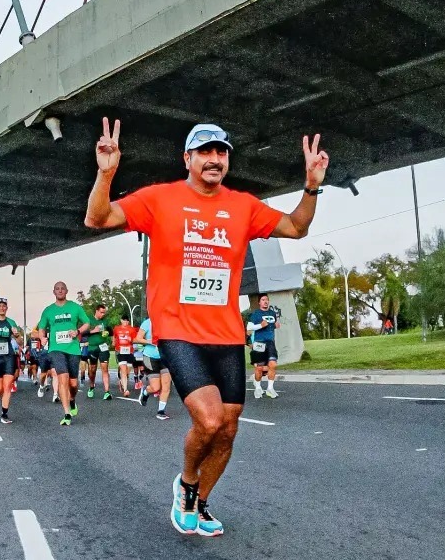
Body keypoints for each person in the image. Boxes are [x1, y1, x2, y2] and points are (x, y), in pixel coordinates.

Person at [85, 119, 328, 536]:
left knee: (229, 428)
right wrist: (106, 173)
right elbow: (98, 218)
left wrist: (310, 187)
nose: (215, 159)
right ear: (188, 159)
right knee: (211, 420)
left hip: (227, 334)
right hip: (177, 329)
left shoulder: (243, 206)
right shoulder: (160, 199)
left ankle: (200, 500)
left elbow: (296, 227)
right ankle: (186, 484)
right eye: (205, 152)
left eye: (222, 152)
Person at [35, 281, 91, 425]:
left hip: (73, 349)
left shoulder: (75, 307)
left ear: (66, 291)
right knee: (62, 378)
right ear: (54, 292)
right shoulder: (48, 310)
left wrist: (78, 331)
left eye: (62, 289)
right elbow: (41, 327)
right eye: (57, 289)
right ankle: (66, 413)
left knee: (73, 384)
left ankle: (72, 400)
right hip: (55, 349)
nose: (60, 291)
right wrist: (42, 337)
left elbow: (87, 323)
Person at [135, 316, 172, 420]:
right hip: (150, 357)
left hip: (165, 357)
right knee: (156, 387)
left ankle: (161, 411)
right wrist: (149, 341)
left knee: (166, 386)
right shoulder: (147, 323)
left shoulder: (169, 322)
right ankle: (145, 391)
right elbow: (137, 338)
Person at [246, 295, 280, 399]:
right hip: (259, 343)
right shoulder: (255, 314)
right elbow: (249, 327)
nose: (265, 302)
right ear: (259, 303)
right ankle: (258, 388)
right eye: (263, 300)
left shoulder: (272, 313)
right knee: (259, 368)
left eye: (267, 300)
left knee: (273, 364)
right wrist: (260, 325)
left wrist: (275, 325)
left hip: (270, 342)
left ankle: (270, 388)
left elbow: (271, 326)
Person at [86, 304, 113, 401]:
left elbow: (111, 331)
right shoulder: (89, 320)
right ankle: (91, 387)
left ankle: (107, 392)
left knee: (105, 369)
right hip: (92, 348)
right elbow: (83, 333)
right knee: (92, 370)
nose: (103, 314)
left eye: (104, 312)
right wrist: (94, 331)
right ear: (96, 311)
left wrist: (108, 333)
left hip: (103, 347)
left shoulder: (105, 321)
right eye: (101, 312)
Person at [113, 316, 139, 397]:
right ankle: (126, 390)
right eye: (124, 320)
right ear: (121, 320)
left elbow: (135, 339)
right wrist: (113, 343)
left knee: (127, 371)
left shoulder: (132, 329)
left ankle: (121, 381)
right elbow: (114, 336)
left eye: (127, 320)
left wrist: (131, 340)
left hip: (129, 351)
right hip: (120, 351)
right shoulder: (116, 328)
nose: (125, 322)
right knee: (123, 370)